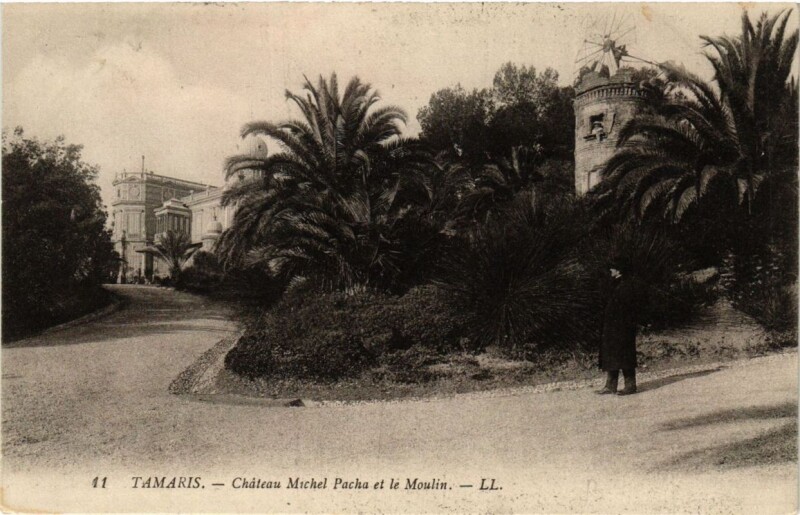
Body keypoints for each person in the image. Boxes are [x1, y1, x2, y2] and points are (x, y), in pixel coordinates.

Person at [596, 266, 646, 396]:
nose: (610, 270)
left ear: (619, 270)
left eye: (613, 268)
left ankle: (630, 385)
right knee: (611, 353)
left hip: (624, 326)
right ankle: (610, 385)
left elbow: (631, 306)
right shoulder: (614, 283)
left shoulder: (627, 284)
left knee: (625, 354)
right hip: (611, 325)